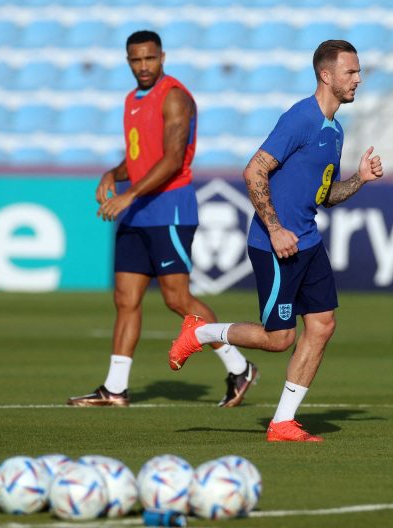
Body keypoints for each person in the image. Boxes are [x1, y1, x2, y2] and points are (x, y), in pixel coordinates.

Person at [168, 40, 383, 442]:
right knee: (279, 339)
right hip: (275, 245)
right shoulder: (300, 118)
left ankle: (283, 422)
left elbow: (325, 195)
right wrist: (275, 228)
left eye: (358, 71)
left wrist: (359, 180)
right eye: (351, 72)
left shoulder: (335, 129)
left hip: (307, 241)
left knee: (322, 325)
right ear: (326, 75)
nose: (358, 79)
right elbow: (253, 172)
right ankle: (200, 333)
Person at [68, 30, 257, 408]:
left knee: (176, 298)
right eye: (136, 60)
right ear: (127, 61)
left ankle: (239, 368)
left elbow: (171, 160)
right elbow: (141, 158)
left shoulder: (175, 98)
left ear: (162, 57)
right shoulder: (132, 100)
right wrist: (114, 173)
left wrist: (129, 194)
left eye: (149, 58)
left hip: (168, 209)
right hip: (137, 211)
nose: (143, 66)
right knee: (125, 299)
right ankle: (116, 388)